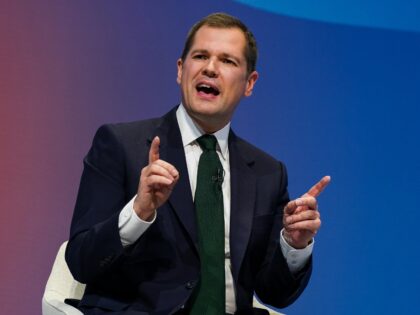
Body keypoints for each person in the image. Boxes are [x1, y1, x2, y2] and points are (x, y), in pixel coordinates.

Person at [65, 12, 330, 315]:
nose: (210, 68)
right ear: (181, 70)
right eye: (200, 56)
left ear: (249, 83)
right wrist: (138, 211)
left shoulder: (267, 173)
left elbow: (276, 293)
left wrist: (294, 245)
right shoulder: (121, 144)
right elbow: (81, 261)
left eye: (228, 61)